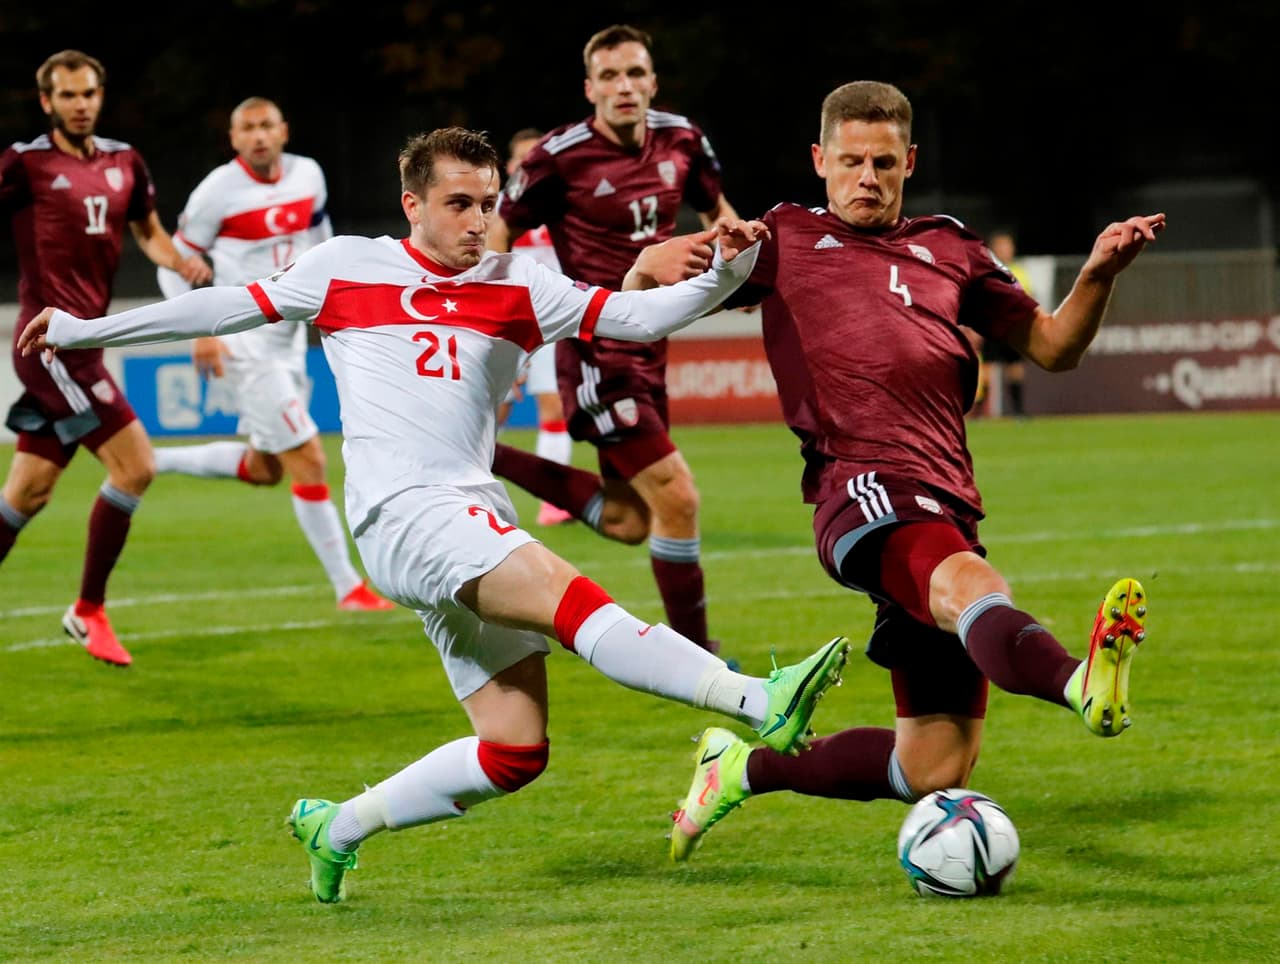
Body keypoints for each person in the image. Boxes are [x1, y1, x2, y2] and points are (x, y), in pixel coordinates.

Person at [19, 126, 852, 903]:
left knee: (516, 747)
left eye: (488, 204)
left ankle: (335, 825)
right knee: (569, 597)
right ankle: (754, 699)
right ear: (413, 203)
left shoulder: (520, 283)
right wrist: (92, 330)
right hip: (402, 513)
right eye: (459, 204)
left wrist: (727, 276)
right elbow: (222, 307)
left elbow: (632, 315)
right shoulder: (347, 266)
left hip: (466, 511)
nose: (478, 221)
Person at [635, 81, 1165, 861]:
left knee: (933, 765)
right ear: (820, 161)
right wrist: (658, 259)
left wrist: (1099, 274)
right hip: (862, 486)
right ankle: (1079, 684)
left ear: (909, 161)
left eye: (884, 162)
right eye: (850, 161)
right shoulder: (780, 239)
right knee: (970, 589)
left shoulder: (950, 246)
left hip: (946, 495)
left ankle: (739, 768)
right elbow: (643, 291)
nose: (867, 178)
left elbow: (1053, 348)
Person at [486, 24, 739, 654]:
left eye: (634, 74)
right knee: (678, 498)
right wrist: (502, 331)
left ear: (652, 82)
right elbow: (497, 231)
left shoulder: (683, 139)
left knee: (630, 521)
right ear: (589, 88)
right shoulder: (557, 156)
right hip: (597, 348)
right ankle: (703, 667)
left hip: (653, 344)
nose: (623, 87)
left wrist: (740, 255)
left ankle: (486, 455)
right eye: (610, 76)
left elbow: (719, 215)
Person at [0, 49, 213, 667]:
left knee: (27, 494)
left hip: (86, 345)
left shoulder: (125, 161)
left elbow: (147, 232)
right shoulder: (25, 163)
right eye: (67, 95)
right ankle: (88, 609)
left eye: (89, 93)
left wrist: (181, 262)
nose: (80, 104)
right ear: (47, 102)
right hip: (50, 347)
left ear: (100, 95)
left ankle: (87, 609)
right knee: (136, 466)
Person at [153, 97, 391, 611]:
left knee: (267, 467)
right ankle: (348, 587)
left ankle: (152, 461)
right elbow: (172, 262)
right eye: (247, 128)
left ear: (284, 130)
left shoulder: (309, 174)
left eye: (266, 126)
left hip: (287, 336)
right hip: (243, 337)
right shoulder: (217, 191)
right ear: (234, 138)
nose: (259, 135)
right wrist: (200, 328)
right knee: (308, 456)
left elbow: (320, 239)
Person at [497, 128, 573, 526]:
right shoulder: (494, 211)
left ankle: (553, 501)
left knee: (554, 406)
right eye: (523, 159)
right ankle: (463, 487)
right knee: (492, 409)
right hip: (505, 320)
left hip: (551, 322)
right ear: (510, 166)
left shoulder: (564, 207)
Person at [975, 230, 1031, 417]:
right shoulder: (986, 271)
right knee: (987, 369)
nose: (1005, 250)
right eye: (1001, 246)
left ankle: (1018, 411)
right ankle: (981, 412)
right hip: (991, 327)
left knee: (1014, 368)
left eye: (1007, 246)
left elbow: (1028, 301)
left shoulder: (1020, 272)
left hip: (1013, 328)